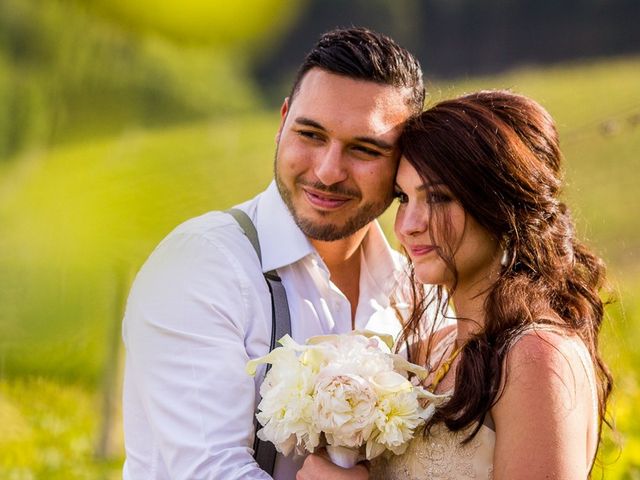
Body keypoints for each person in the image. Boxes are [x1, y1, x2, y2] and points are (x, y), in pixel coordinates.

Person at [122, 27, 425, 479]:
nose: (327, 171)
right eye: (311, 134)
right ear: (283, 120)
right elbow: (209, 471)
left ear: (403, 161)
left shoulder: (417, 290)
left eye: (364, 149)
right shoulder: (199, 266)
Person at [296, 90, 613, 480]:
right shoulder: (435, 348)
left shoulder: (535, 356)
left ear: (500, 204)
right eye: (403, 198)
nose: (408, 225)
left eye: (439, 198)